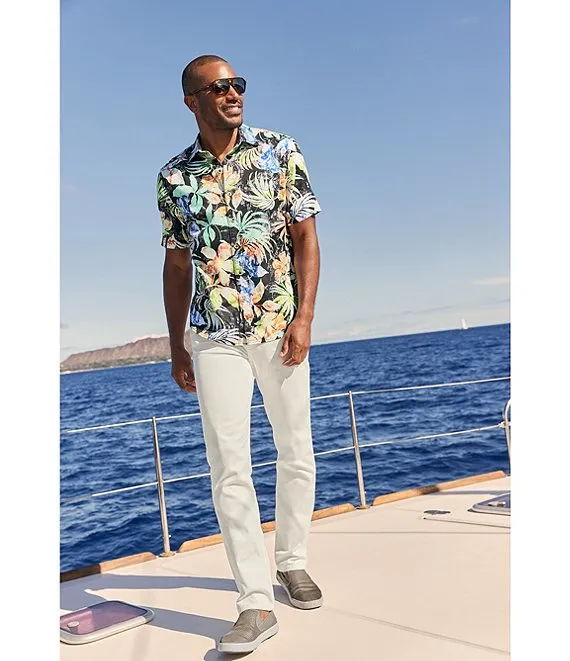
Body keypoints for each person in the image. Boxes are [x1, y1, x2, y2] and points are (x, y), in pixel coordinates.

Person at [157, 54, 323, 654]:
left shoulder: (281, 150)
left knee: (295, 449)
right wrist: (177, 343)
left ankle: (292, 559)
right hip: (214, 335)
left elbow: (306, 238)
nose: (232, 94)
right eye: (218, 87)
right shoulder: (174, 177)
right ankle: (254, 601)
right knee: (229, 467)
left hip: (280, 326)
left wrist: (304, 317)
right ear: (192, 101)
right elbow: (177, 266)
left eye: (238, 85)